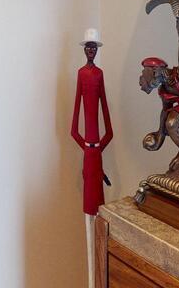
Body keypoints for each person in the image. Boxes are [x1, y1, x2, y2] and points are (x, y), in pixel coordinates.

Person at [71, 28, 112, 288]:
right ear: (84, 49)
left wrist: (99, 147)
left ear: (96, 50)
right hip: (89, 153)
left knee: (99, 211)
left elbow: (107, 118)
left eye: (93, 47)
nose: (90, 51)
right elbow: (74, 126)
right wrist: (87, 148)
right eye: (87, 47)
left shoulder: (99, 75)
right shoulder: (81, 74)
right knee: (88, 211)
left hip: (95, 154)